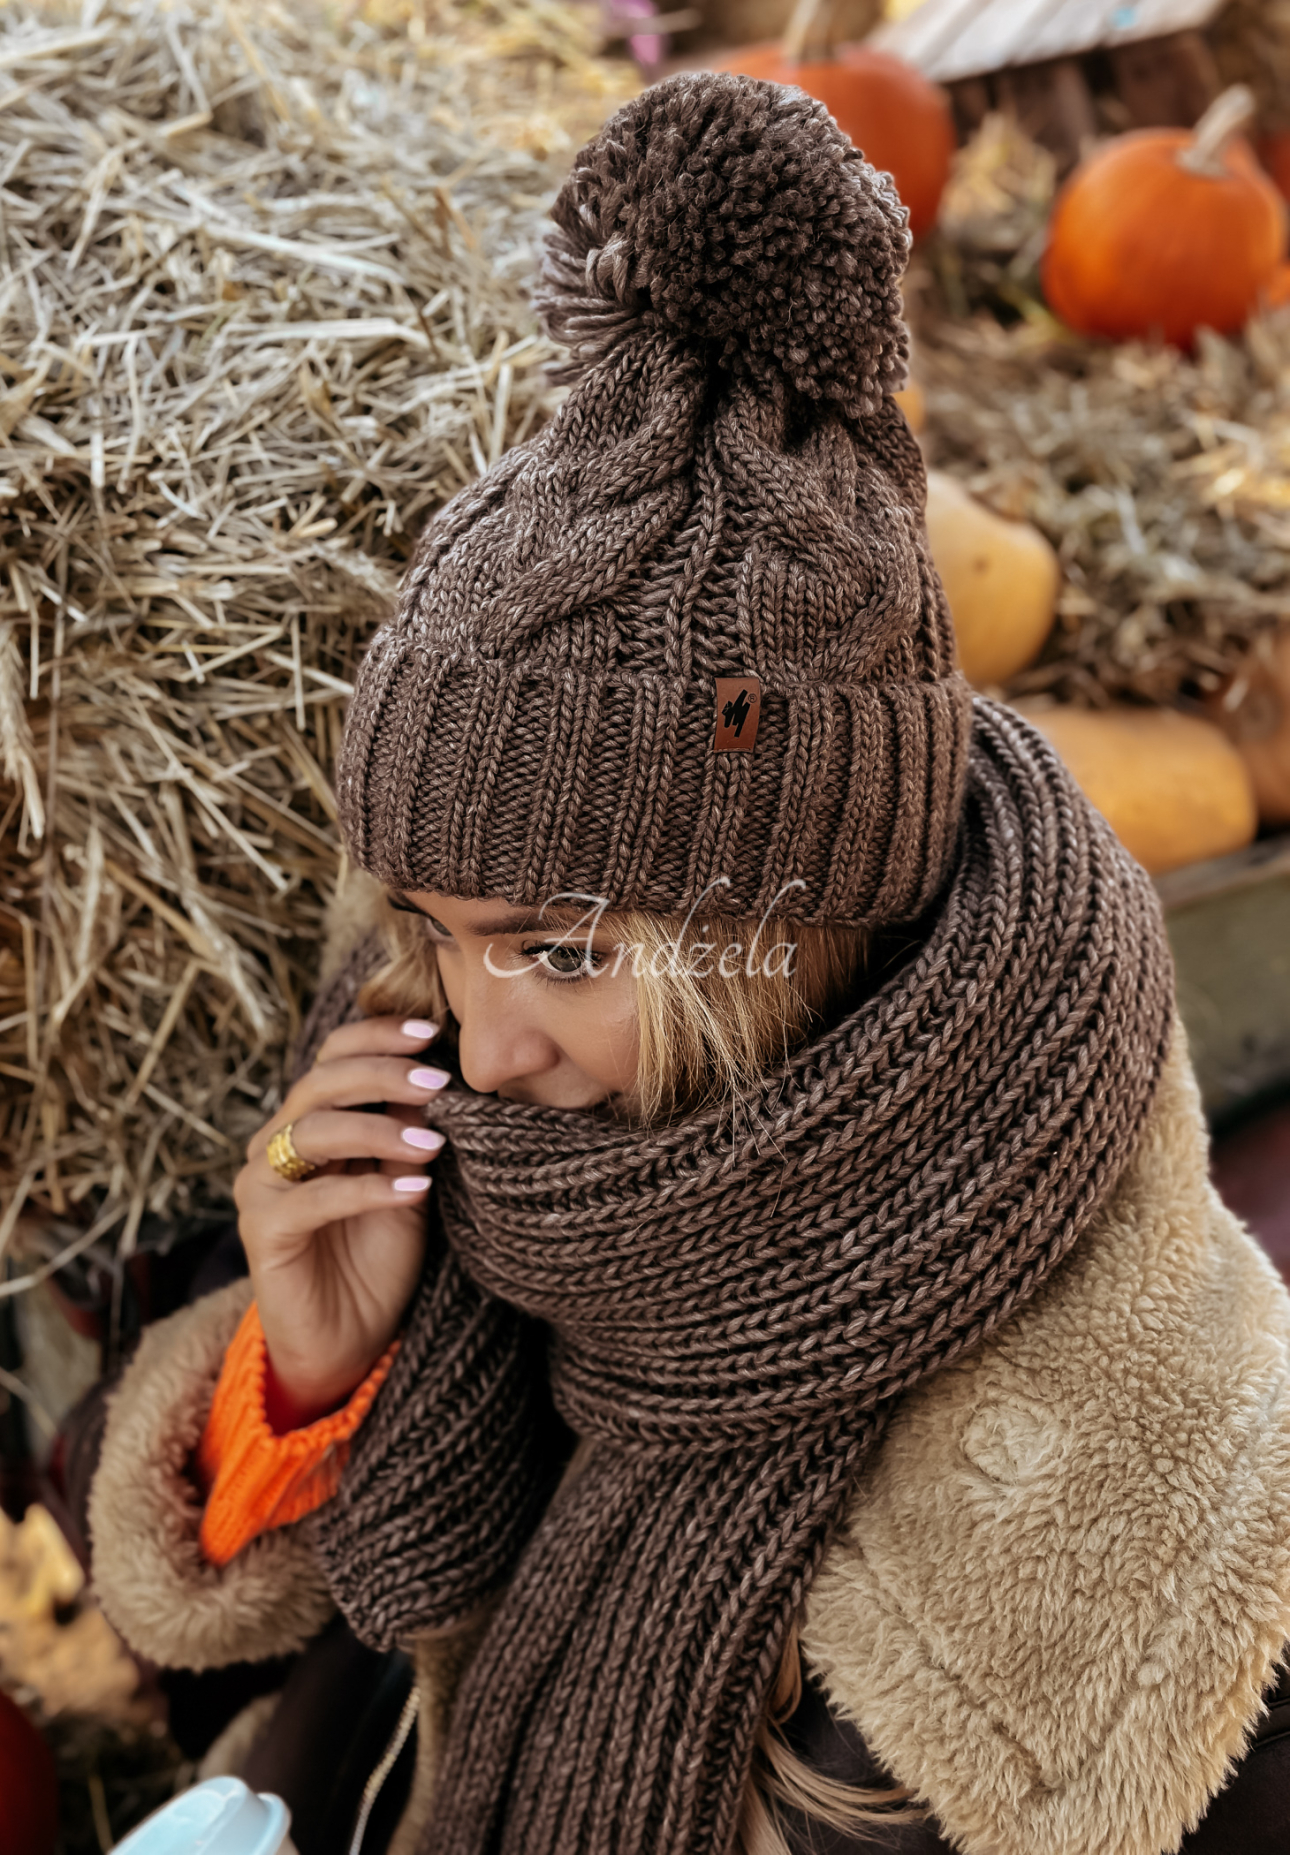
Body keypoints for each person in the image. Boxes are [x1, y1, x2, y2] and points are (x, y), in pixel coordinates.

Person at [84, 72, 1290, 1855]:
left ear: (801, 926)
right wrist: (316, 1374)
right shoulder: (454, 1128)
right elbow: (319, 1687)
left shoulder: (1144, 1483)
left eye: (560, 954)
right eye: (442, 936)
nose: (484, 1053)